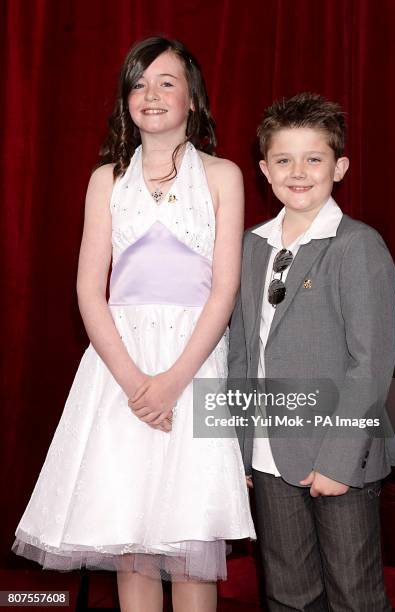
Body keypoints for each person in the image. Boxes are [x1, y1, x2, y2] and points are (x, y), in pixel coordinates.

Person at [13, 37, 255, 612]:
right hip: (117, 370)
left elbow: (225, 290)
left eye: (167, 82)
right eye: (139, 83)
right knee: (131, 542)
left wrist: (172, 382)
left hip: (193, 366)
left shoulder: (223, 176)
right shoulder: (107, 180)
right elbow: (87, 291)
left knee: (189, 538)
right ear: (126, 100)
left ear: (192, 98)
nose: (152, 94)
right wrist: (132, 380)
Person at [228, 92, 395, 611]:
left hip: (337, 456)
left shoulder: (357, 245)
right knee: (288, 594)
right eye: (284, 160)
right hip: (267, 452)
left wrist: (339, 459)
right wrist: (239, 447)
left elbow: (369, 365)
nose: (298, 172)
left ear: (340, 166)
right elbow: (241, 352)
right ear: (264, 169)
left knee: (354, 594)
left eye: (314, 159)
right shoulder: (250, 246)